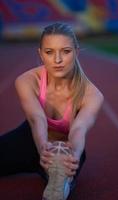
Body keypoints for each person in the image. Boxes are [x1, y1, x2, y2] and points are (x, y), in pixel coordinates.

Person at [0, 22, 104, 200]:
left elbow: (79, 129)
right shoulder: (27, 81)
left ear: (76, 52)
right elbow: (36, 119)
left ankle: (60, 180)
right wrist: (43, 150)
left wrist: (75, 156)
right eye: (49, 52)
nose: (57, 60)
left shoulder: (92, 94)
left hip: (65, 149)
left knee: (61, 167)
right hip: (30, 140)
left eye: (65, 51)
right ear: (40, 54)